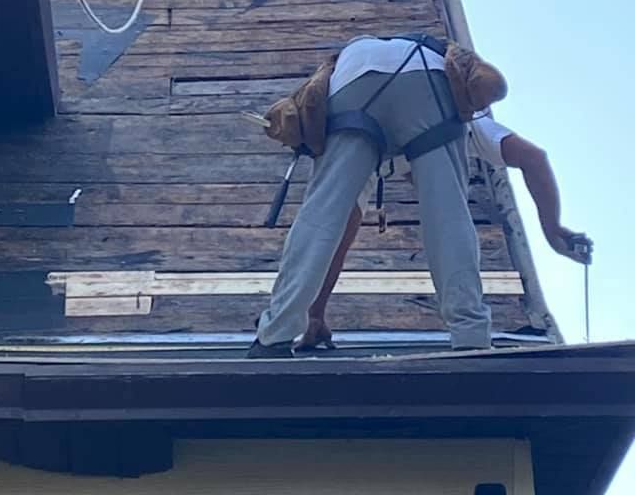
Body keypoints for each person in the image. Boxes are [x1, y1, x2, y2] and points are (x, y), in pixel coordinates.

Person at [249, 35, 591, 358]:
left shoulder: (369, 156)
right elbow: (534, 158)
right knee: (449, 215)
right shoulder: (467, 122)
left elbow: (335, 231)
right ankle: (471, 338)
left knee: (322, 214)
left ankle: (274, 335)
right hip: (426, 73)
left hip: (353, 79)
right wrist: (553, 230)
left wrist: (315, 313)